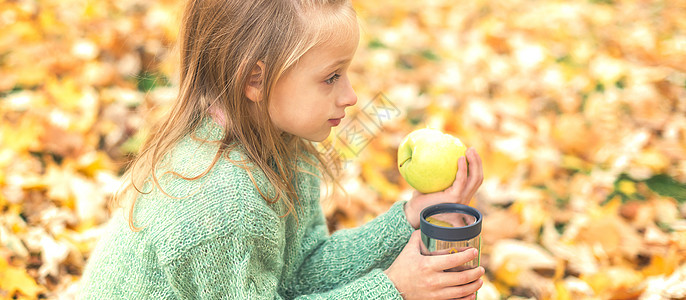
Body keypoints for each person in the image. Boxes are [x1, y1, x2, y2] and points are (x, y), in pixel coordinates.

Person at [79, 0, 485, 299]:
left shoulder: (282, 144)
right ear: (255, 80)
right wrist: (392, 289)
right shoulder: (222, 202)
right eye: (331, 78)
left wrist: (408, 217)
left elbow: (300, 272)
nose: (351, 96)